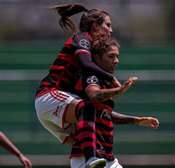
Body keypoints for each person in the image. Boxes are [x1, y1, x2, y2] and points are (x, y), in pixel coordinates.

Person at [34, 4, 132, 167]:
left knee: (84, 136)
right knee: (87, 108)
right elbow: (85, 63)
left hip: (57, 105)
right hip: (48, 96)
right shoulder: (82, 38)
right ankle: (90, 159)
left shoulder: (91, 49)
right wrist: (111, 79)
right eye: (107, 25)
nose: (111, 30)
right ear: (95, 26)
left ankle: (92, 160)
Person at [70, 38, 159, 168]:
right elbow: (94, 95)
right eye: (111, 56)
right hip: (87, 159)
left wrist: (137, 120)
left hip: (107, 158)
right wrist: (119, 90)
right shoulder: (91, 76)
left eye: (117, 56)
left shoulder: (104, 80)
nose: (116, 60)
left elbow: (105, 114)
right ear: (97, 58)